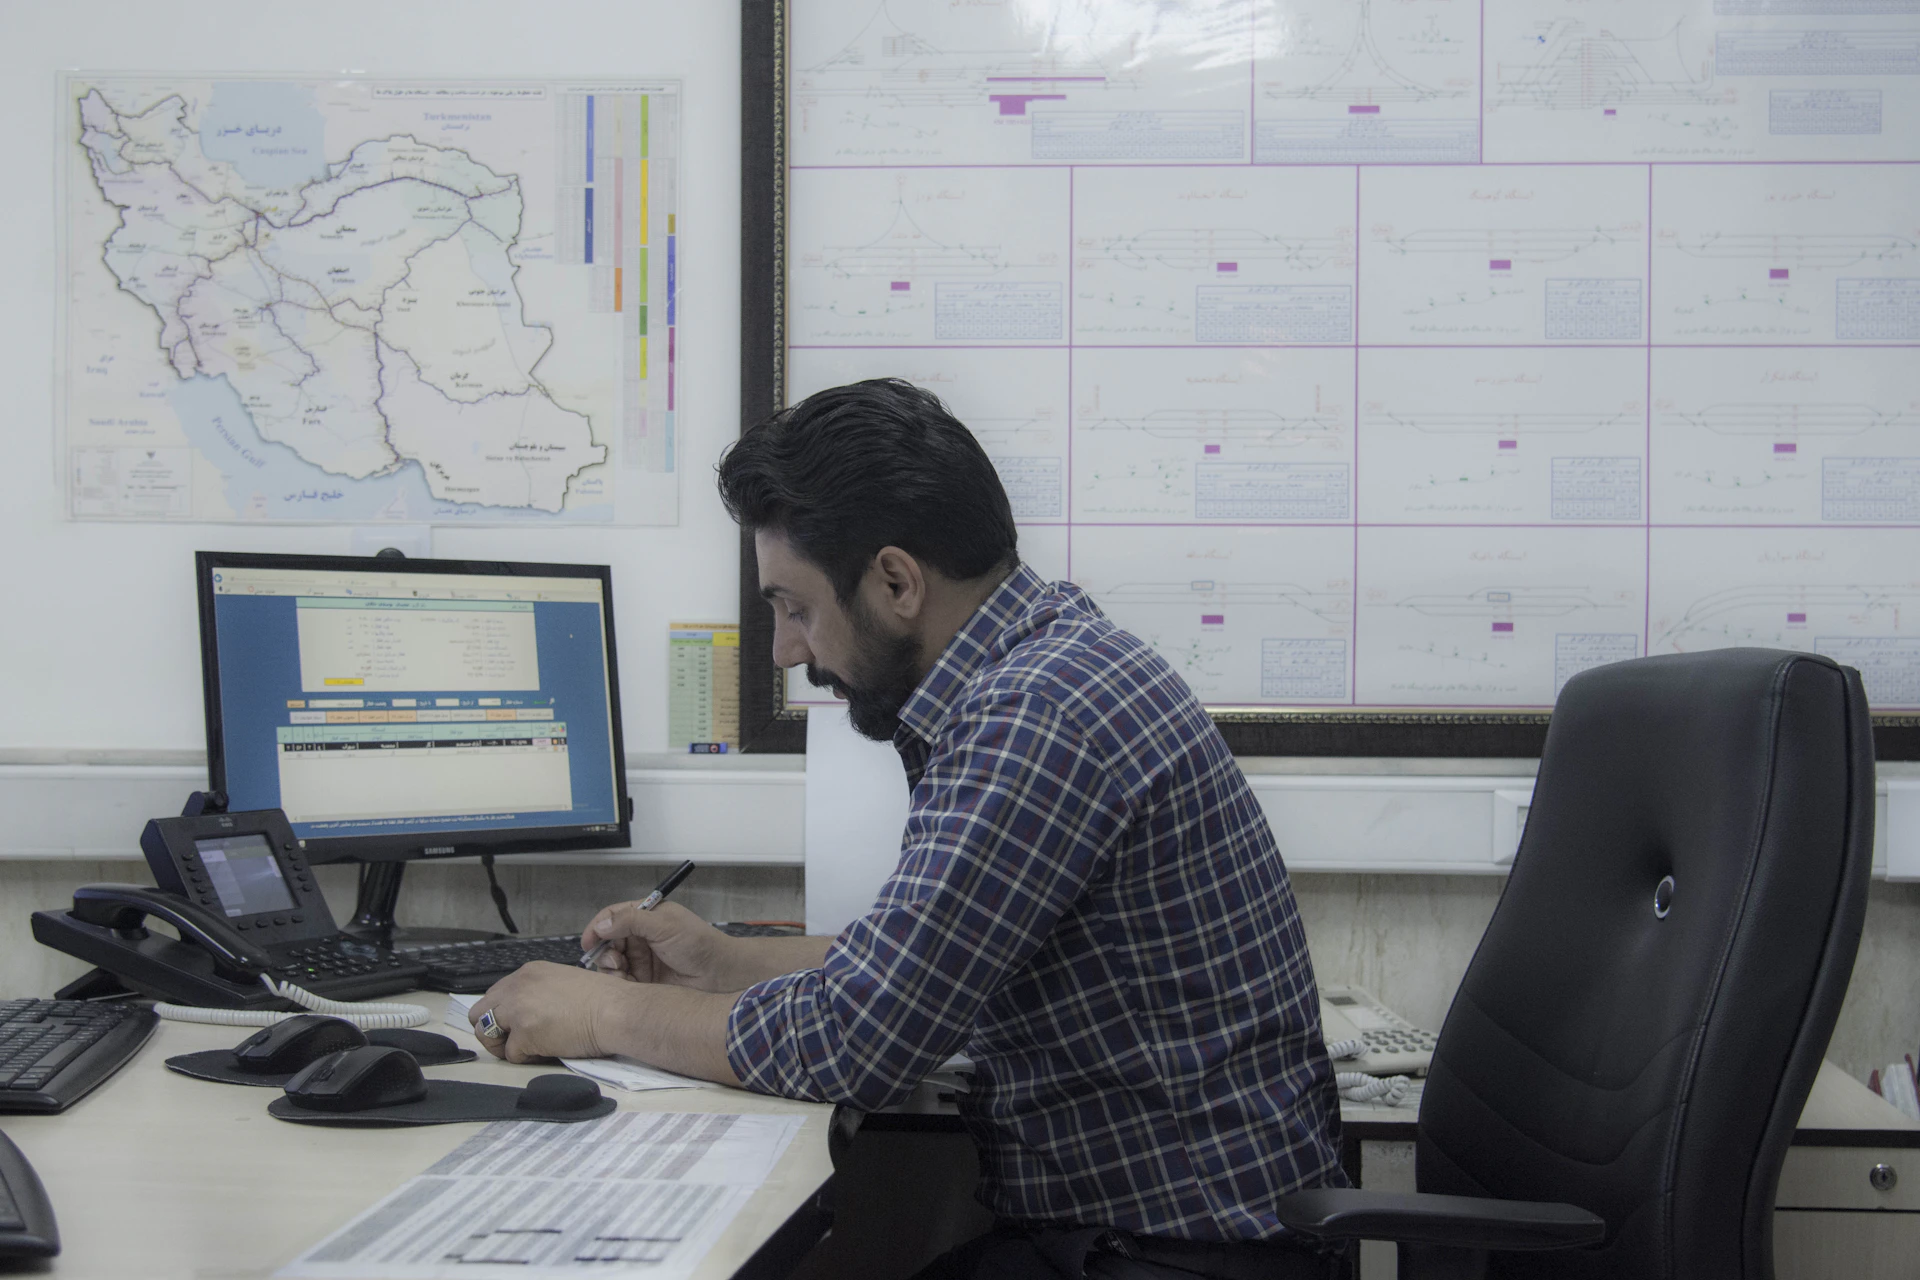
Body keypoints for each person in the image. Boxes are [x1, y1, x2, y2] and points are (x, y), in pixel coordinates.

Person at [470, 378, 1347, 1278]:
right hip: (1157, 1234)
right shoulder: (1045, 665)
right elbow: (921, 962)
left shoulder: (1036, 714)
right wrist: (723, 961)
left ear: (895, 581)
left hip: (1181, 1256)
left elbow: (860, 1041)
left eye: (795, 607)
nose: (786, 651)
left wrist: (602, 1011)